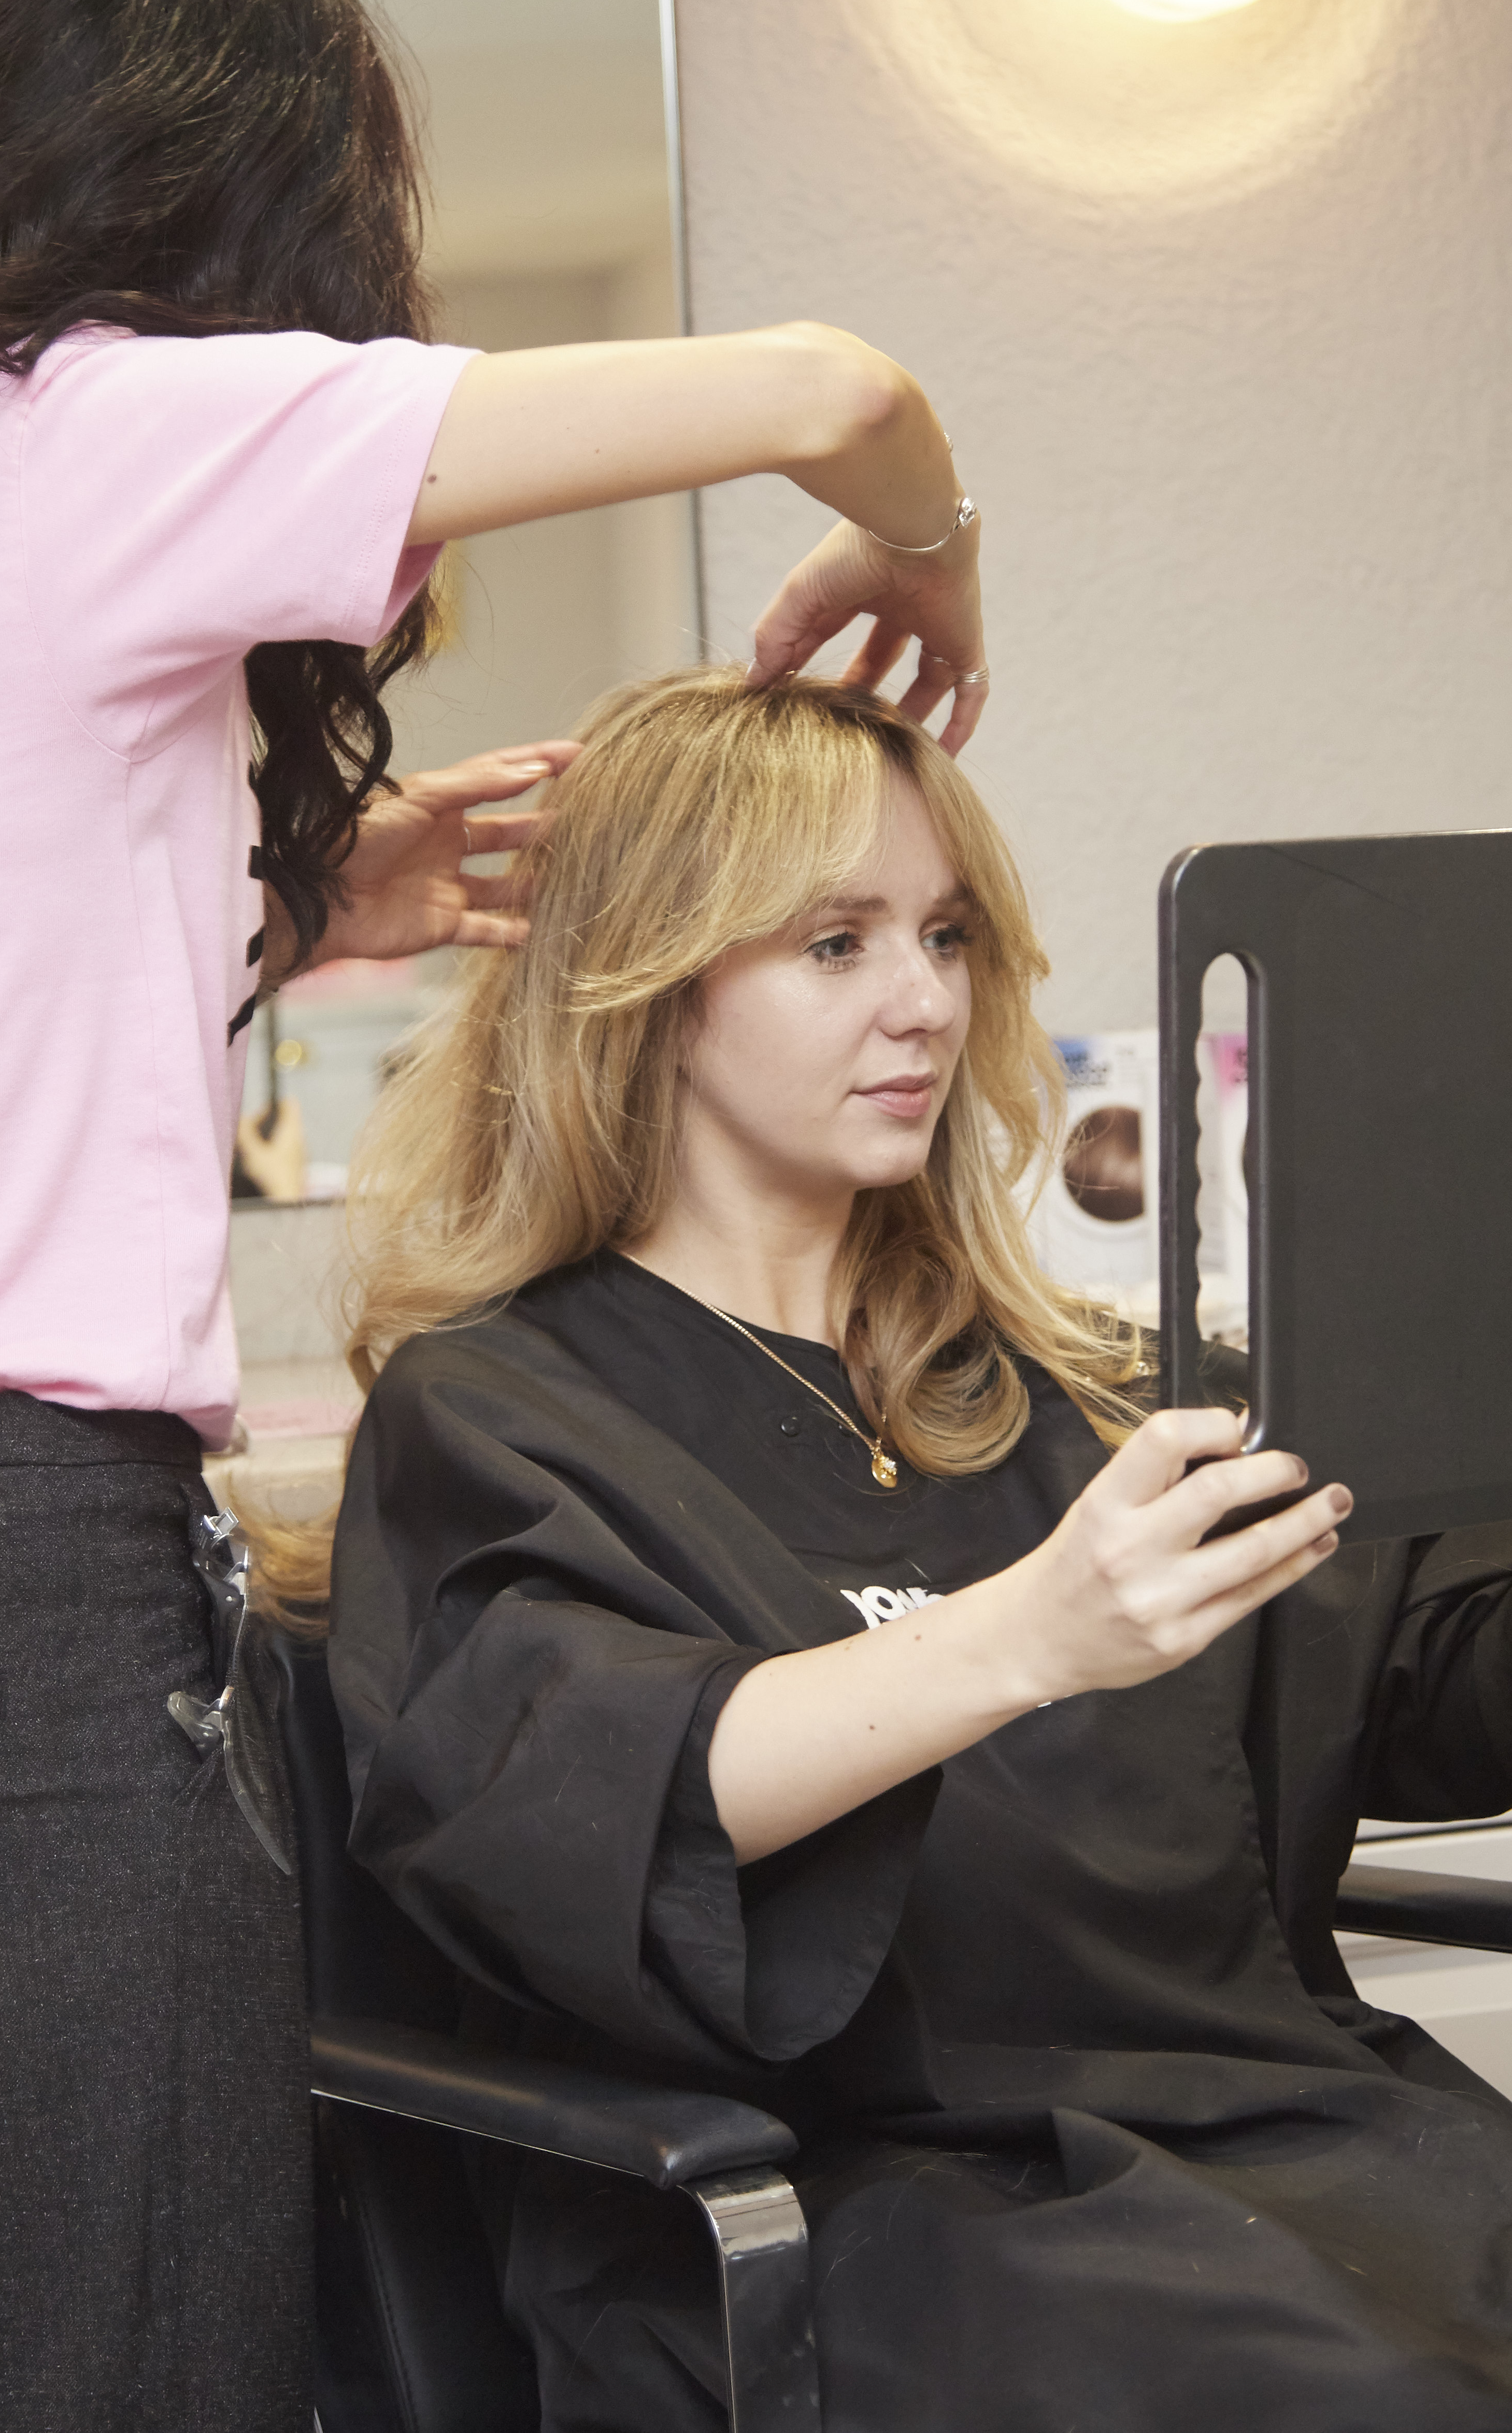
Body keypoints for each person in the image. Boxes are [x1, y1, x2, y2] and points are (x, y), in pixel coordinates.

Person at [0, 0, 992, 2432]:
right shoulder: (106, 420)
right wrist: (931, 567)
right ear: (266, 214)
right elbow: (840, 383)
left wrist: (301, 910)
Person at [329, 668, 1512, 2433]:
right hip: (880, 2215)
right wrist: (1033, 1629)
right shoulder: (502, 1412)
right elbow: (585, 1796)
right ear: (652, 987)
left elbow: (1433, 1659)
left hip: (1290, 2144)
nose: (925, 1003)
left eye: (948, 936)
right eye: (836, 943)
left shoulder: (1088, 1397)